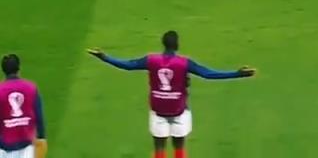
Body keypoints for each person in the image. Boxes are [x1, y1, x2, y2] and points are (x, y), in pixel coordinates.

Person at [88, 31, 255, 158]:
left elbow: (127, 65)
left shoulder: (151, 60)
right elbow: (209, 74)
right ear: (177, 45)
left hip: (158, 111)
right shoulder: (184, 63)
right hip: (179, 111)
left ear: (163, 44)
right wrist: (237, 74)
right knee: (179, 147)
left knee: (159, 148)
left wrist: (104, 57)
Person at [0, 54, 47, 158]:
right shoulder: (31, 88)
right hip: (27, 148)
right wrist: (42, 138)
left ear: (3, 70)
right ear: (19, 68)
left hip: (3, 149)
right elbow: (39, 117)